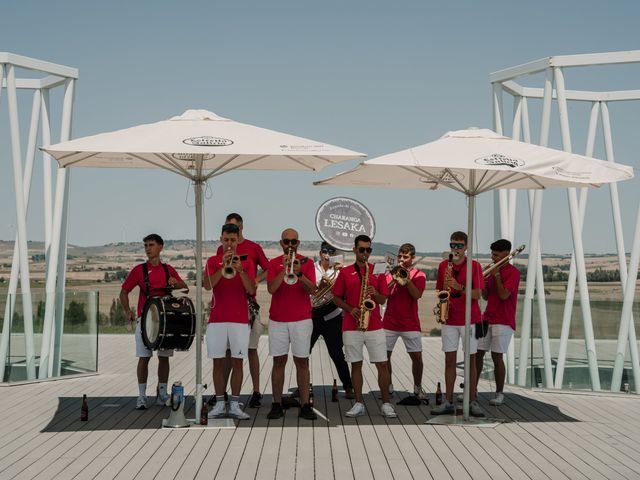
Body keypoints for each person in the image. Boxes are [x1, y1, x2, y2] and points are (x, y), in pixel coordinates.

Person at [119, 234, 188, 410]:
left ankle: (162, 394)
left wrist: (176, 283)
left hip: (165, 321)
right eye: (146, 245)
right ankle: (142, 396)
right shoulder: (139, 270)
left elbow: (184, 287)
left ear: (160, 247)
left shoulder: (168, 269)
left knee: (164, 358)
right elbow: (124, 291)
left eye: (151, 245)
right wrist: (128, 311)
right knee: (144, 358)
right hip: (145, 320)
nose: (148, 248)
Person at [332, 235, 397, 418]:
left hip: (375, 325)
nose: (365, 253)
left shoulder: (377, 271)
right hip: (352, 325)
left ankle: (386, 403)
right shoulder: (345, 273)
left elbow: (384, 299)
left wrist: (375, 292)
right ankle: (359, 403)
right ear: (354, 250)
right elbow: (336, 298)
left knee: (382, 365)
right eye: (362, 250)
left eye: (368, 250)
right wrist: (350, 309)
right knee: (356, 365)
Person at [211, 213, 269, 409]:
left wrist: (254, 279)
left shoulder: (253, 248)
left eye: (234, 229)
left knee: (250, 350)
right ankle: (223, 393)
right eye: (227, 230)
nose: (230, 239)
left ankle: (256, 390)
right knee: (226, 353)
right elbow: (209, 282)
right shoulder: (220, 251)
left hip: (247, 305)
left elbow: (267, 270)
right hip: (224, 311)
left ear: (241, 228)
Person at [204, 223, 256, 420]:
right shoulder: (212, 261)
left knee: (238, 362)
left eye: (233, 240)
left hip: (239, 319)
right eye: (226, 240)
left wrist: (240, 270)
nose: (229, 244)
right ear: (221, 239)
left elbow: (251, 290)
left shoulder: (247, 262)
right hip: (217, 319)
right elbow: (207, 286)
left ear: (238, 240)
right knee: (218, 362)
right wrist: (222, 266)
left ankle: (234, 403)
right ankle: (219, 403)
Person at [430, 231, 485, 417]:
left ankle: (472, 400)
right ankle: (449, 400)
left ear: (466, 247)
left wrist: (458, 287)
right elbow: (439, 291)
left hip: (471, 320)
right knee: (449, 360)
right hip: (450, 319)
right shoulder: (444, 265)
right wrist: (443, 301)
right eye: (453, 245)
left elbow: (478, 294)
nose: (455, 249)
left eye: (459, 246)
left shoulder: (474, 266)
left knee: (471, 360)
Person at [266, 228, 317, 420]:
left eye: (293, 242)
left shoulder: (307, 263)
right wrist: (283, 269)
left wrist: (300, 273)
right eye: (286, 242)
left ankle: (305, 405)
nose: (289, 245)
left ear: (298, 243)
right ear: (281, 243)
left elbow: (313, 289)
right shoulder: (273, 263)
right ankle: (276, 404)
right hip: (278, 320)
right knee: (278, 362)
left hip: (302, 319)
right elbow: (271, 289)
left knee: (302, 362)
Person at [475, 239, 520, 406]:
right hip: (487, 317)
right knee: (477, 354)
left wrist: (496, 275)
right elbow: (486, 296)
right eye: (492, 254)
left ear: (506, 254)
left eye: (496, 254)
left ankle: (499, 393)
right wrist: (482, 282)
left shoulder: (513, 273)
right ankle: (473, 390)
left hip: (504, 320)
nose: (492, 257)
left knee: (496, 356)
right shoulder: (493, 271)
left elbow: (503, 295)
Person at [310, 241, 354, 399]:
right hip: (313, 315)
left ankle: (348, 386)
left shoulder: (340, 270)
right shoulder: (311, 267)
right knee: (303, 352)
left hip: (332, 316)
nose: (327, 253)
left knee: (336, 353)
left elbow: (346, 291)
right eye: (324, 250)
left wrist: (342, 274)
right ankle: (304, 385)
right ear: (320, 252)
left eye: (330, 251)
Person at [383, 243, 427, 400]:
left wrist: (407, 280)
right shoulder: (390, 273)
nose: (401, 259)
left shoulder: (419, 274)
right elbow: (384, 295)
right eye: (400, 256)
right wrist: (394, 279)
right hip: (390, 321)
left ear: (412, 258)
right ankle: (388, 386)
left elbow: (416, 295)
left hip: (410, 322)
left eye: (405, 257)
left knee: (416, 357)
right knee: (384, 356)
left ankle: (417, 387)